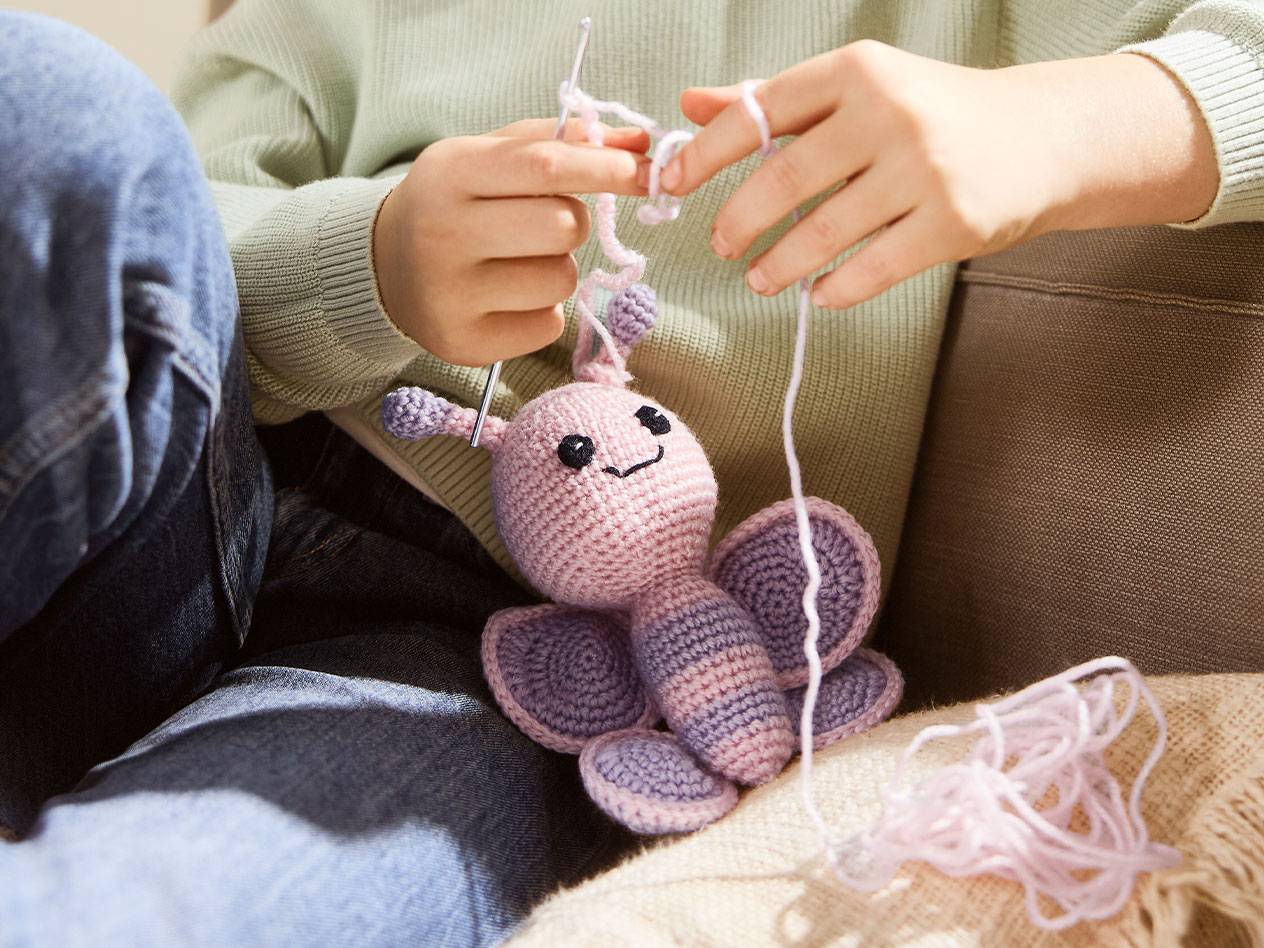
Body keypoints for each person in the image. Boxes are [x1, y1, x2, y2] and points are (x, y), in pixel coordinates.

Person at [0, 1, 1258, 944]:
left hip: (504, 669)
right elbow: (152, 248)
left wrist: (1068, 123)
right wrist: (368, 262)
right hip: (184, 504)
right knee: (48, 97)